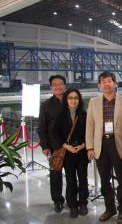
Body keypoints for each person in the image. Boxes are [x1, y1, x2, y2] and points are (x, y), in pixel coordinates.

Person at [86, 71, 122, 223]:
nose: (106, 84)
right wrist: (90, 146)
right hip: (100, 145)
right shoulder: (93, 102)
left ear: (115, 83)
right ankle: (110, 208)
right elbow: (90, 125)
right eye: (103, 82)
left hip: (118, 144)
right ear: (99, 85)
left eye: (109, 81)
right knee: (105, 180)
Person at [53, 88, 88, 218]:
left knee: (83, 178)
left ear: (79, 100)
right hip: (67, 153)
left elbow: (89, 132)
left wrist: (83, 145)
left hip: (81, 151)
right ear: (66, 100)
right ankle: (72, 204)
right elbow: (55, 133)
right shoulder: (61, 115)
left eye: (76, 98)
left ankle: (83, 203)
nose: (73, 100)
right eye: (70, 98)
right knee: (70, 179)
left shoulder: (84, 114)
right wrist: (66, 146)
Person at [38, 74, 66, 213]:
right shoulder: (46, 105)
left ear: (64, 86)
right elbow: (41, 127)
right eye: (54, 84)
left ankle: (73, 199)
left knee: (73, 174)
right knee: (55, 175)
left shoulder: (72, 100)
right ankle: (57, 200)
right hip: (55, 146)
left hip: (72, 145)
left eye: (60, 84)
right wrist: (45, 146)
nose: (58, 86)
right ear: (51, 87)